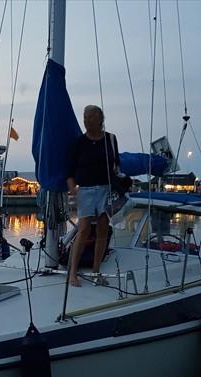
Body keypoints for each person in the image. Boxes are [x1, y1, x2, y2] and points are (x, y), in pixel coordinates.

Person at [66, 105, 120, 287]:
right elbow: (69, 171)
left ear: (100, 118)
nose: (86, 120)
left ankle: (97, 271)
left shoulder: (111, 140)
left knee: (103, 230)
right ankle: (73, 273)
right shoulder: (79, 143)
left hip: (106, 189)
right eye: (85, 117)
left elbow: (116, 165)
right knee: (84, 229)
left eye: (90, 116)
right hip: (86, 190)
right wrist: (73, 190)